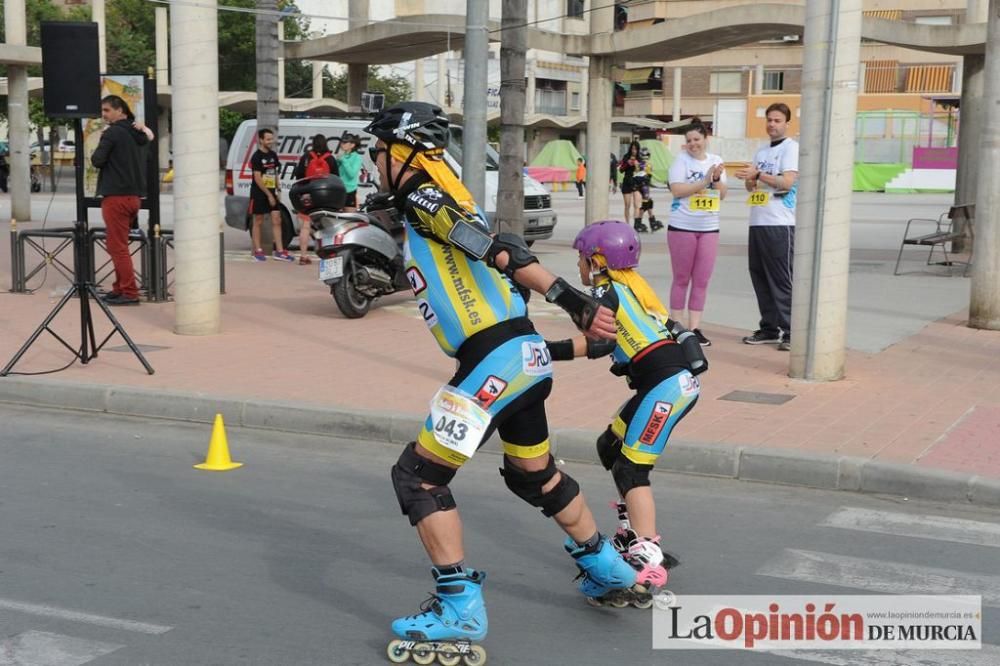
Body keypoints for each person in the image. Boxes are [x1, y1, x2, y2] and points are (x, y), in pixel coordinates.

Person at [366, 102, 636, 662]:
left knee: (417, 478)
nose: (370, 160)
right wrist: (576, 342)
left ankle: (458, 605)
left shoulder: (425, 197)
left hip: (495, 362)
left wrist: (571, 300)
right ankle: (606, 566)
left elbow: (498, 251)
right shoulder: (434, 196)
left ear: (401, 152)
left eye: (376, 151)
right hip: (523, 358)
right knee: (531, 475)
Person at [545, 220, 706, 608]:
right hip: (663, 384)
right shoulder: (631, 287)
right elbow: (610, 345)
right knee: (610, 445)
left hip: (665, 387)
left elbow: (597, 343)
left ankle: (646, 554)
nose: (580, 267)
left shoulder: (605, 291)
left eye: (582, 259)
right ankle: (631, 534)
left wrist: (544, 350)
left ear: (597, 261)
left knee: (631, 470)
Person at [735, 103, 799, 352]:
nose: (772, 124)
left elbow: (786, 182)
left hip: (780, 222)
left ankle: (792, 330)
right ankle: (770, 327)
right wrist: (750, 180)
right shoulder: (761, 152)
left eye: (777, 120)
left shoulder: (791, 149)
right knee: (759, 275)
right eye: (769, 120)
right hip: (758, 220)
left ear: (786, 123)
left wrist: (758, 174)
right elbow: (753, 187)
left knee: (781, 278)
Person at [666, 118, 727, 346]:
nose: (693, 144)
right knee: (682, 278)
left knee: (701, 280)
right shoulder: (680, 161)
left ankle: (695, 328)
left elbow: (722, 194)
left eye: (697, 139)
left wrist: (717, 179)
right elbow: (677, 190)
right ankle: (676, 326)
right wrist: (704, 180)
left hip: (709, 228)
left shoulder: (716, 161)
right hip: (682, 226)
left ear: (705, 139)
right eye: (689, 140)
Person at [91, 94, 154, 306]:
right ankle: (119, 288)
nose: (104, 114)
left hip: (115, 196)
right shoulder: (138, 134)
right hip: (134, 196)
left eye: (107, 110)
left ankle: (129, 291)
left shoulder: (112, 133)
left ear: (120, 110)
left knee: (117, 247)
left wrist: (102, 139)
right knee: (119, 244)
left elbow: (97, 160)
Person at [292, 134, 340, 265]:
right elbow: (336, 179)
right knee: (327, 227)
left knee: (305, 227)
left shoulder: (306, 157)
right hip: (325, 197)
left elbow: (299, 176)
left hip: (307, 195)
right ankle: (328, 257)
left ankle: (303, 256)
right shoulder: (330, 159)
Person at [249, 128, 294, 263]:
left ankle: (280, 251)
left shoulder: (273, 155)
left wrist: (278, 189)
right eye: (268, 139)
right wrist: (268, 194)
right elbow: (257, 178)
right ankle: (258, 251)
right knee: (258, 221)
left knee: (277, 220)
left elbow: (274, 173)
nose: (271, 141)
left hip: (272, 192)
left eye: (272, 139)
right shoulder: (256, 157)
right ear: (261, 140)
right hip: (259, 193)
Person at [634, 147, 663, 233]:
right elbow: (648, 176)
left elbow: (636, 174)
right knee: (646, 204)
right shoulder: (648, 165)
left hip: (639, 186)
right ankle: (639, 223)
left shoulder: (638, 164)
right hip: (644, 187)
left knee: (648, 203)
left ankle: (652, 221)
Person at [336, 133, 363, 212]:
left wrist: (343, 160)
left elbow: (351, 174)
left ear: (352, 145)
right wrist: (337, 162)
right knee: (336, 218)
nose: (342, 144)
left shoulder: (357, 157)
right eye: (341, 142)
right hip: (339, 190)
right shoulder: (341, 156)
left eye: (345, 142)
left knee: (349, 219)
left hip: (350, 190)